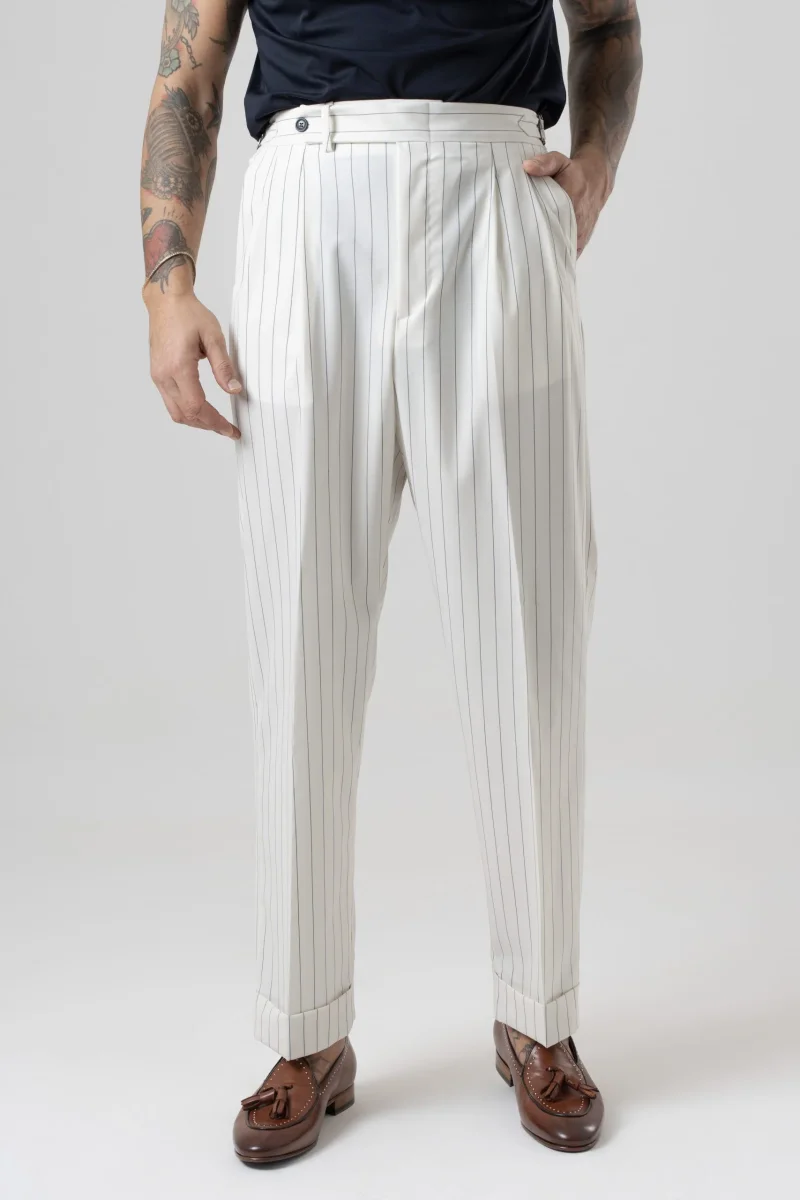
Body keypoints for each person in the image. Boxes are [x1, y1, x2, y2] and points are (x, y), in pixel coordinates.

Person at [140, 0, 642, 1163]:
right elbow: (189, 63)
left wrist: (594, 169)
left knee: (531, 634)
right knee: (299, 643)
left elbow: (608, 23)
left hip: (493, 183)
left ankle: (538, 1013)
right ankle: (303, 1029)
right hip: (307, 198)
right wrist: (168, 281)